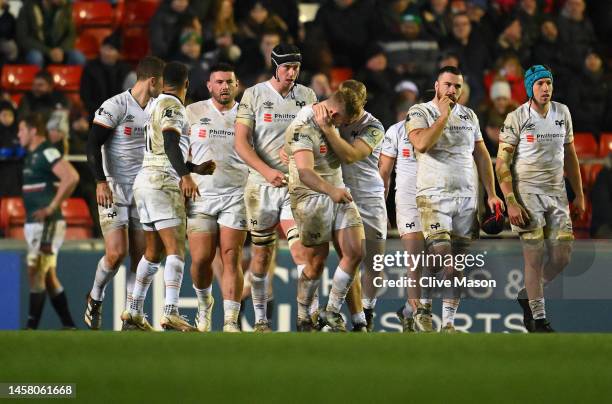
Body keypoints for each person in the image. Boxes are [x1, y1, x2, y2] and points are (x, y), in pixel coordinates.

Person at [407, 66, 503, 333]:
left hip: (466, 199)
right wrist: (442, 117)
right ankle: (423, 310)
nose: (452, 91)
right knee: (444, 261)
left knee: (453, 266)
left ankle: (447, 324)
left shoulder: (469, 115)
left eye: (457, 86)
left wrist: (492, 193)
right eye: (448, 85)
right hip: (433, 197)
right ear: (436, 86)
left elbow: (482, 155)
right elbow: (422, 144)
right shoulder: (420, 112)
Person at [125, 62, 215, 331]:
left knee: (153, 252)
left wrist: (195, 168)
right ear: (186, 84)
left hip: (145, 181)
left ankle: (133, 311)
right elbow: (170, 142)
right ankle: (171, 311)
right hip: (163, 182)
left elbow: (162, 150)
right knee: (176, 249)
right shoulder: (174, 106)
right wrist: (185, 176)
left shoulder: (153, 104)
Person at [495, 65, 584, 332]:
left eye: (549, 83)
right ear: (530, 88)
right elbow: (502, 163)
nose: (546, 88)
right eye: (540, 84)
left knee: (563, 256)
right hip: (527, 193)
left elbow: (570, 155)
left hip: (557, 193)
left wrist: (578, 194)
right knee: (533, 254)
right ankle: (538, 317)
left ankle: (527, 294)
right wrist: (511, 200)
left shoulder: (562, 112)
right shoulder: (516, 117)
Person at [234, 43, 317, 332]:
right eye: (287, 67)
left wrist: (297, 152)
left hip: (295, 187)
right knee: (261, 257)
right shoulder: (253, 95)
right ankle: (261, 320)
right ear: (275, 65)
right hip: (261, 186)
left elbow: (316, 140)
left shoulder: (307, 96)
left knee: (302, 254)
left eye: (296, 67)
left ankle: (306, 317)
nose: (292, 73)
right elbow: (241, 143)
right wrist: (267, 171)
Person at [83, 56, 165, 331]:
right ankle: (95, 296)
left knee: (140, 257)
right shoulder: (115, 105)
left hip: (144, 190)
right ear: (153, 81)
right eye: (162, 82)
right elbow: (92, 144)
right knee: (116, 253)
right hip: (114, 189)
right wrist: (100, 182)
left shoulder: (158, 108)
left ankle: (132, 314)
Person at [286, 88, 365, 332]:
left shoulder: (330, 122)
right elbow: (305, 172)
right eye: (343, 120)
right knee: (316, 264)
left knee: (356, 251)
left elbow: (350, 156)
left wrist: (332, 130)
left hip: (337, 190)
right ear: (332, 112)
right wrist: (330, 190)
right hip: (309, 195)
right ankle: (302, 316)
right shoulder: (303, 126)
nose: (345, 125)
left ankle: (330, 311)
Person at [316, 80, 386, 332]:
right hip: (341, 196)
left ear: (362, 104)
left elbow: (351, 155)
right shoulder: (329, 114)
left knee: (374, 265)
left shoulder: (374, 126)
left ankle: (368, 309)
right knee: (351, 257)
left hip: (370, 197)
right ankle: (355, 319)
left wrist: (330, 131)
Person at [185, 63, 248, 332]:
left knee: (231, 255)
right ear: (209, 85)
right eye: (219, 82)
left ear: (236, 86)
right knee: (200, 259)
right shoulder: (192, 112)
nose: (224, 86)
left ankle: (231, 320)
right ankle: (204, 304)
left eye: (229, 82)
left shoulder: (247, 115)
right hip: (201, 195)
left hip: (236, 194)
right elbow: (178, 153)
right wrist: (184, 177)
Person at [18, 113, 79, 329]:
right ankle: (69, 325)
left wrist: (52, 207)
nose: (18, 134)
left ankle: (31, 326)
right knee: (49, 276)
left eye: (22, 129)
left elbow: (71, 176)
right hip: (34, 223)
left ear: (34, 130)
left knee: (36, 269)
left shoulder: (47, 151)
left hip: (48, 223)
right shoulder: (31, 155)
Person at [379, 118, 423, 333]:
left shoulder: (438, 129)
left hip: (436, 199)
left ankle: (407, 310)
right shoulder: (395, 130)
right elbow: (384, 173)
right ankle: (420, 315)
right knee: (415, 259)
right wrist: (381, 210)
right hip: (408, 200)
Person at [80, 32, 133, 123]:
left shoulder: (126, 70)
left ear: (118, 53)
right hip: (96, 113)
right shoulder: (90, 68)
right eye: (105, 48)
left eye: (111, 49)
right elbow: (86, 96)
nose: (106, 53)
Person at [16, 0, 85, 67]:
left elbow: (71, 35)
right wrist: (48, 52)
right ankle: (39, 78)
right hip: (38, 50)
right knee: (36, 58)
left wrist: (61, 50)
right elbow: (23, 38)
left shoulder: (65, 7)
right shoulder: (27, 7)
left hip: (60, 51)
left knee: (78, 58)